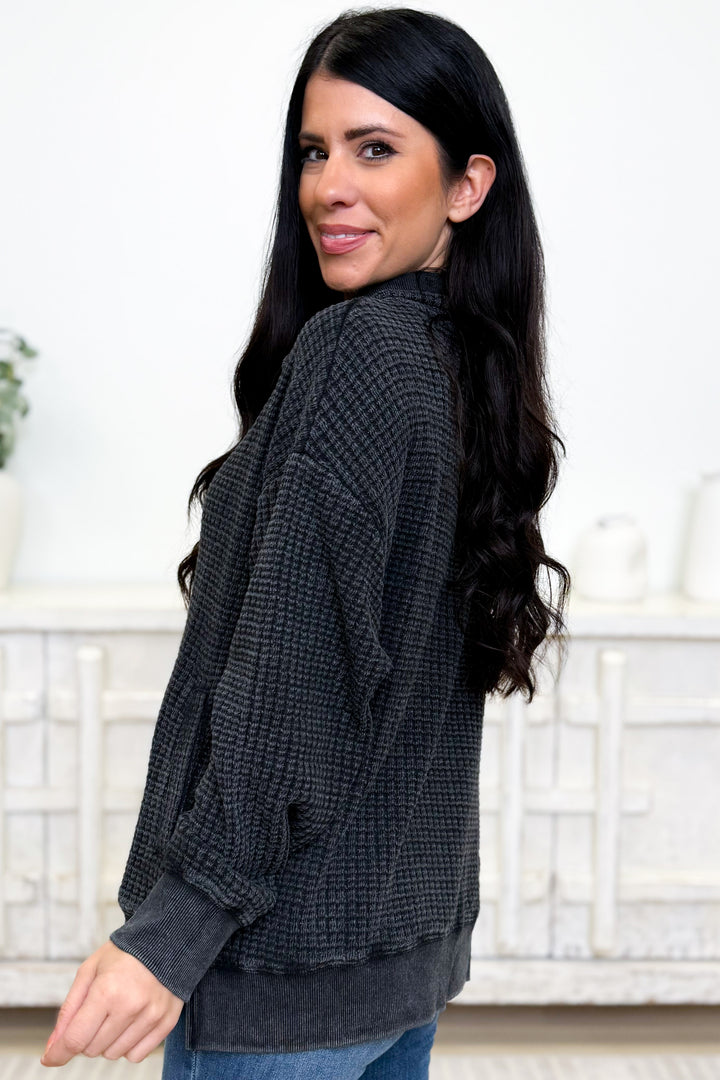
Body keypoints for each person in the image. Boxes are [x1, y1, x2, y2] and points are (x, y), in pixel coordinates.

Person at [40, 7, 570, 1077]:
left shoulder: (358, 355)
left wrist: (175, 931)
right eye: (314, 152)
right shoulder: (464, 368)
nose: (330, 185)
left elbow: (299, 683)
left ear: (467, 185)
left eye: (376, 150)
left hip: (281, 976)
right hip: (399, 966)